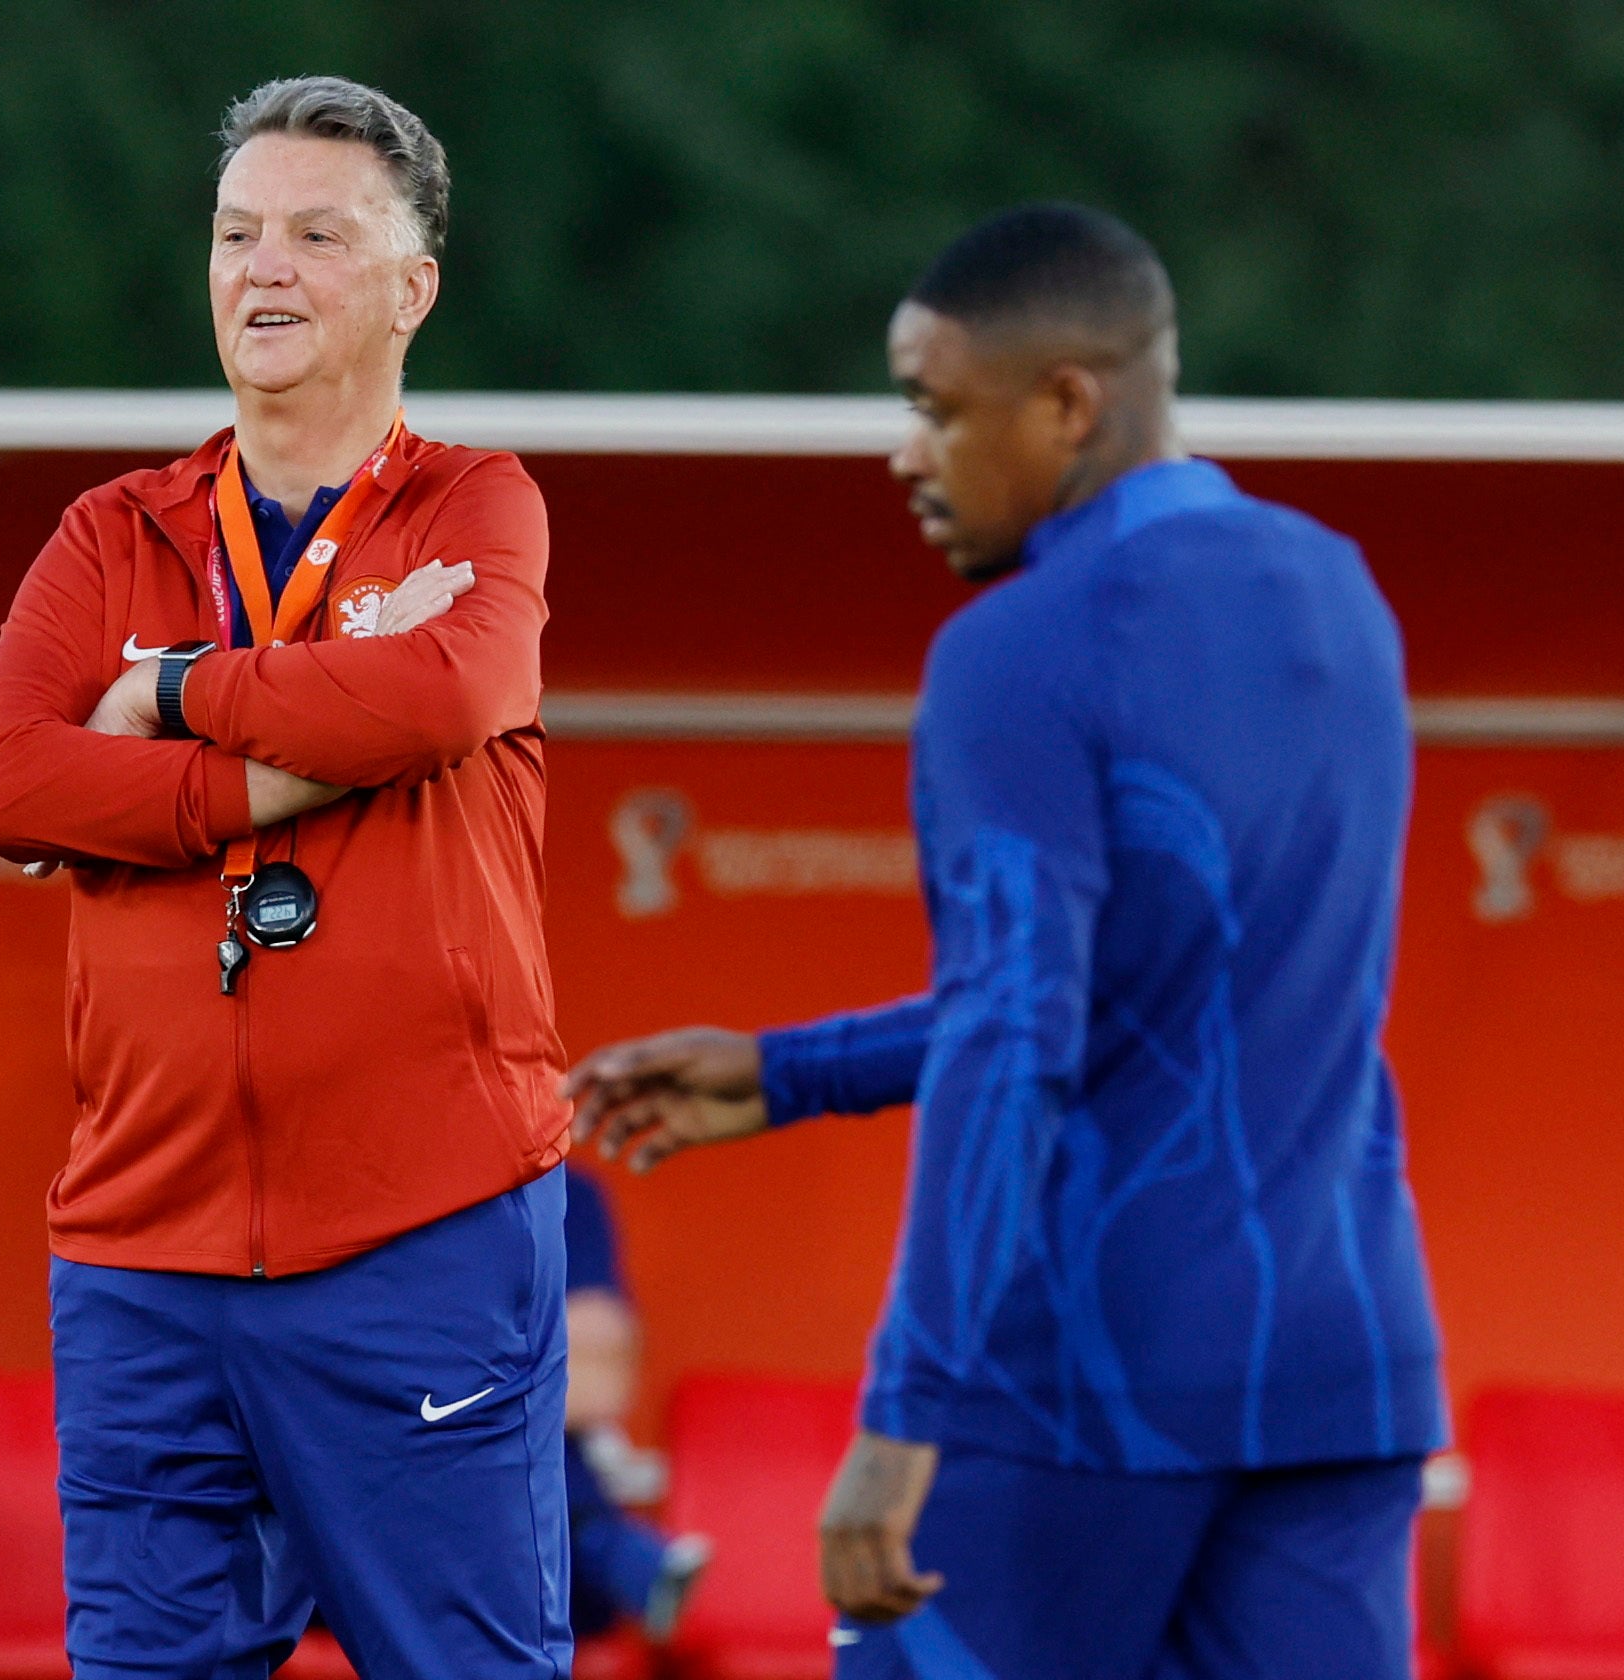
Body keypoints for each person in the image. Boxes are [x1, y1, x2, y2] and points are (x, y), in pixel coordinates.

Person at [563, 205, 1445, 1680]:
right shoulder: (1339, 594)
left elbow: (1014, 1038)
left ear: (1066, 403)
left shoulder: (1016, 647)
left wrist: (907, 1417)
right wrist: (793, 1073)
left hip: (1084, 1384)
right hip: (1341, 1370)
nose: (906, 455)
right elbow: (1153, 1000)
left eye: (932, 408)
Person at [0, 76, 573, 1680]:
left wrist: (162, 692)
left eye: (316, 232)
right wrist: (310, 747)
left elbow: (439, 699)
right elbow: (4, 782)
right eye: (236, 233)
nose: (264, 267)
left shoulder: (475, 503)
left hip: (421, 1232)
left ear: (411, 287)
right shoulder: (113, 530)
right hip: (143, 1253)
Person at [558, 1162, 712, 1641]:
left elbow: (596, 1380)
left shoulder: (558, 1193)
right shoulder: (356, 1196)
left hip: (543, 1565)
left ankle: (607, 1553)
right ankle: (613, 1554)